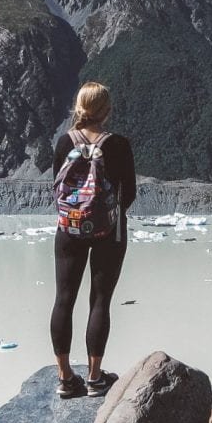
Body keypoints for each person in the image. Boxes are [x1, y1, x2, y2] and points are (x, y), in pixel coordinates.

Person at [50, 81, 136, 399]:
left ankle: (64, 377)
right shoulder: (118, 145)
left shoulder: (64, 142)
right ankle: (95, 378)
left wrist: (77, 216)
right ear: (106, 111)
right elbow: (130, 193)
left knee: (64, 299)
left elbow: (56, 187)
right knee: (99, 301)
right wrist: (107, 216)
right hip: (108, 233)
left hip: (68, 230)